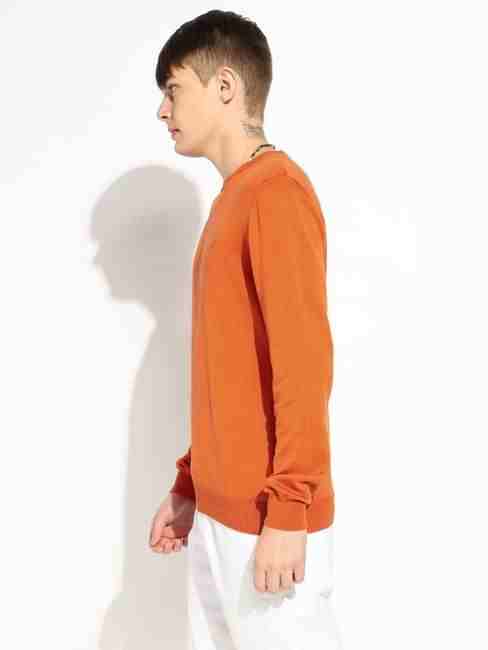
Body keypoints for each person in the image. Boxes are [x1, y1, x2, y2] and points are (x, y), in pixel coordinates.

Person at [149, 9, 344, 649]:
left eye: (174, 89)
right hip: (221, 513)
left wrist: (290, 508)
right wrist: (190, 482)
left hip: (267, 519)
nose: (162, 110)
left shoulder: (275, 193)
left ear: (225, 86)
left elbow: (303, 362)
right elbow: (229, 372)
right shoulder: (234, 200)